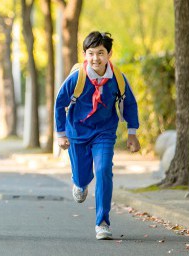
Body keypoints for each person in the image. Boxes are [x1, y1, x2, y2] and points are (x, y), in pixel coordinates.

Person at [54, 31, 140, 240]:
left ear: (109, 54)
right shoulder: (77, 77)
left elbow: (129, 104)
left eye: (100, 53)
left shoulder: (117, 78)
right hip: (77, 132)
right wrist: (60, 134)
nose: (95, 58)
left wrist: (132, 133)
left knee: (103, 170)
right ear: (85, 54)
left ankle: (102, 222)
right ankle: (80, 183)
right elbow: (59, 103)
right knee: (83, 176)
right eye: (91, 53)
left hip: (104, 132)